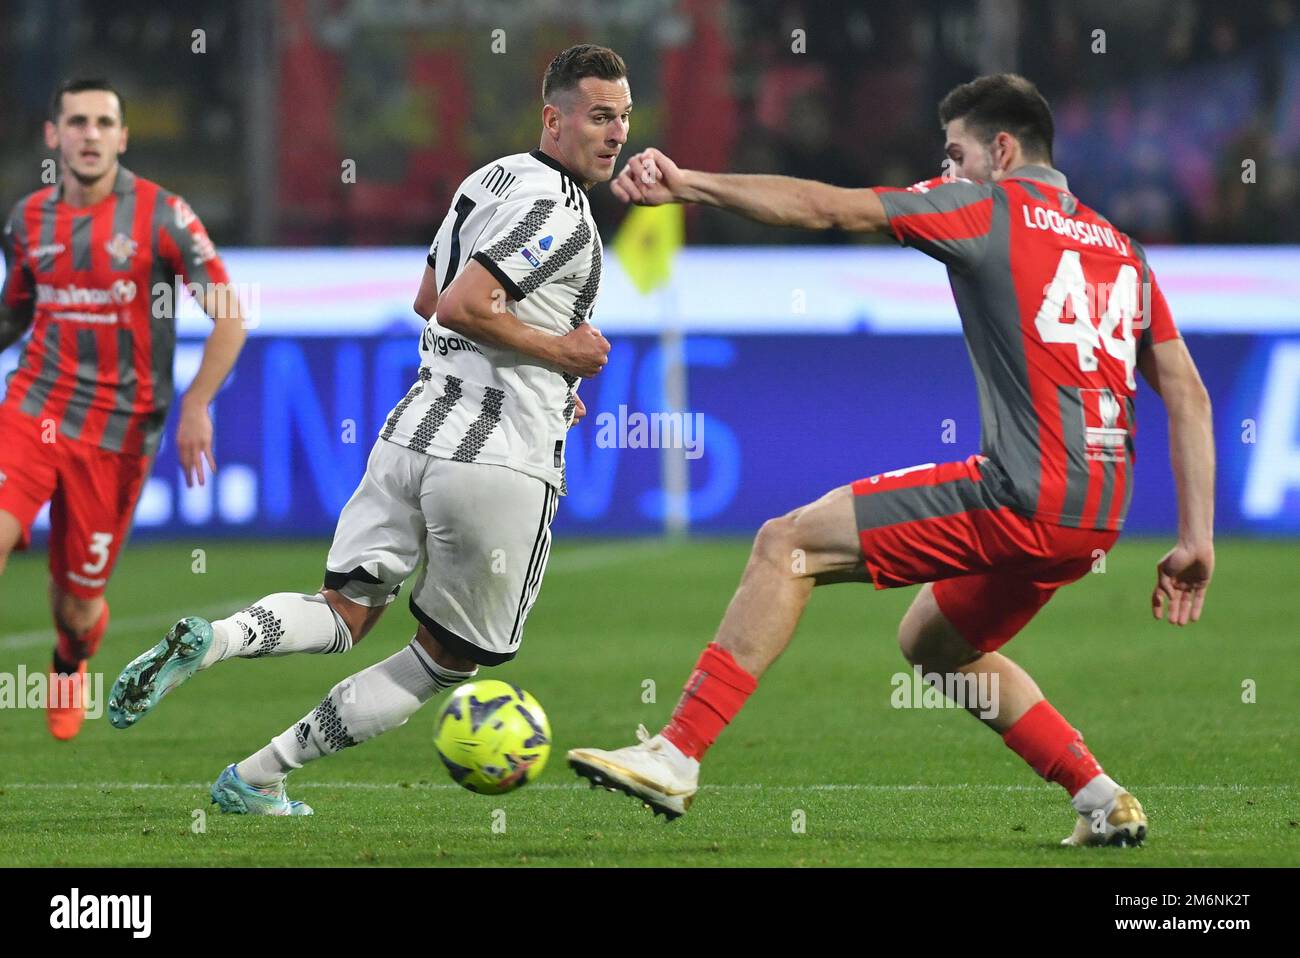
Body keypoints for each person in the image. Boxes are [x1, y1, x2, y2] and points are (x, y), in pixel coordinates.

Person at [568, 74, 1215, 847]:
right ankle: (1101, 797)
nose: (942, 174)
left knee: (788, 543)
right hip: (1097, 516)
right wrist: (1195, 538)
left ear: (1001, 151)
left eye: (954, 154)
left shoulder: (984, 205)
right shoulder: (1124, 251)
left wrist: (689, 184)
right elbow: (1187, 392)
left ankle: (676, 754)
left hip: (1023, 492)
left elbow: (827, 206)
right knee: (935, 644)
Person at [107, 44, 627, 816]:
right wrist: (564, 353)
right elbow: (463, 306)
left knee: (344, 611)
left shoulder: (487, 180)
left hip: (412, 431)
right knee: (446, 662)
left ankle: (213, 640)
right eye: (598, 116)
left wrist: (540, 367)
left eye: (622, 117)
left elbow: (429, 297)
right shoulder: (562, 211)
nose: (616, 133)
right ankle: (258, 774)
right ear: (553, 119)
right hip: (497, 460)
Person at [0, 78, 246, 740]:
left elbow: (229, 317)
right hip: (32, 404)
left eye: (103, 122)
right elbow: (15, 311)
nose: (89, 134)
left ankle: (69, 659)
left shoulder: (163, 216)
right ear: (53, 135)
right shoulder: (26, 221)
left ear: (122, 137)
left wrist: (197, 403)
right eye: (76, 122)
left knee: (78, 607)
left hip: (119, 432)